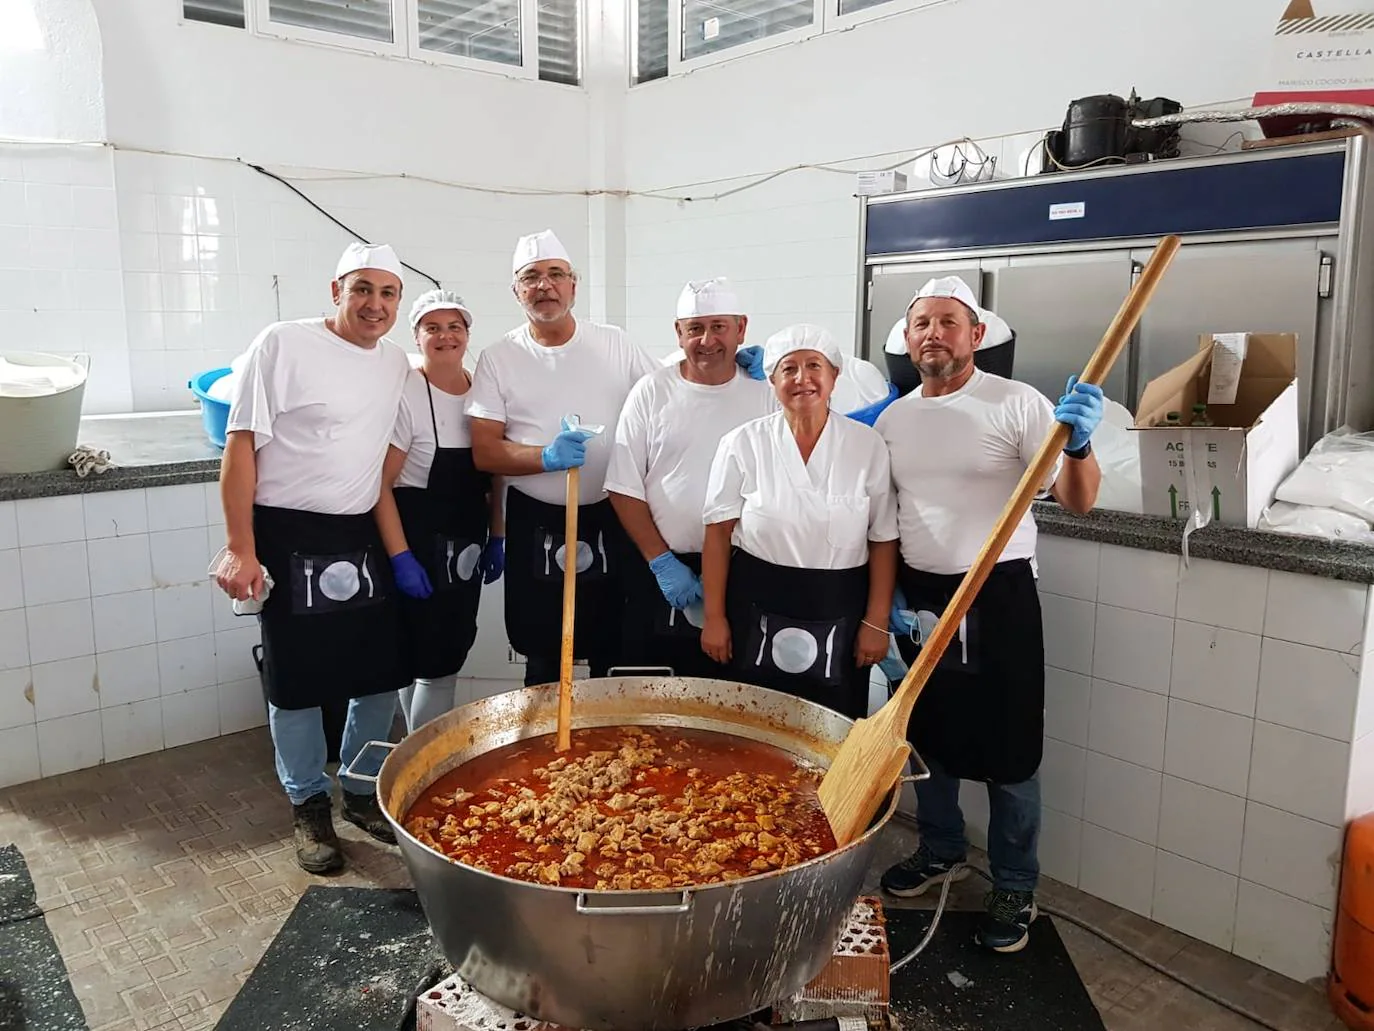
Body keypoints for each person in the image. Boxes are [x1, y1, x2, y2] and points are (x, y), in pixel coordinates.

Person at [874, 275, 1104, 954]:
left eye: (949, 321)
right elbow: (886, 515)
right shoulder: (894, 417)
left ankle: (1013, 882)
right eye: (921, 322)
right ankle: (941, 848)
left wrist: (1081, 444)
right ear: (907, 338)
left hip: (999, 595)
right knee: (928, 736)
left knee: (1011, 752)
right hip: (921, 597)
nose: (934, 333)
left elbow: (1079, 499)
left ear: (976, 335)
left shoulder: (1017, 404)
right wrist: (887, 604)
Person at [214, 242, 413, 875]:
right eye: (362, 289)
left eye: (387, 293)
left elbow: (455, 374)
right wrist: (240, 547)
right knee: (296, 683)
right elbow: (240, 447)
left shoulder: (392, 365)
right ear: (335, 292)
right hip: (284, 532)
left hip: (359, 531)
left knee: (378, 674)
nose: (374, 304)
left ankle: (359, 790)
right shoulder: (282, 344)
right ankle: (308, 806)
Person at [466, 230, 658, 686]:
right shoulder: (499, 357)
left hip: (612, 515)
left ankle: (608, 749)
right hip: (536, 522)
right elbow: (484, 449)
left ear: (574, 284)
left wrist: (729, 371)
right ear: (517, 291)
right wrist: (545, 456)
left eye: (556, 275)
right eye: (531, 277)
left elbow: (668, 397)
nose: (544, 285)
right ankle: (546, 750)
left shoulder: (615, 344)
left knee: (611, 643)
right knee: (543, 649)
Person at [700, 325, 898, 719]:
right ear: (772, 380)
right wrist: (714, 618)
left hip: (839, 604)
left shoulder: (865, 445)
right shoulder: (742, 443)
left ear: (834, 377)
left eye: (814, 366)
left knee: (833, 728)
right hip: (756, 602)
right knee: (754, 725)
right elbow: (718, 536)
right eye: (788, 369)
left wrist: (876, 621)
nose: (801, 379)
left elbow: (882, 539)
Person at [605, 279, 775, 677]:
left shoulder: (765, 392)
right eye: (695, 328)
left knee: (734, 692)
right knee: (658, 689)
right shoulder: (651, 392)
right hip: (662, 566)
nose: (707, 340)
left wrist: (779, 366)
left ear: (742, 329)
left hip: (745, 568)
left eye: (720, 326)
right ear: (678, 333)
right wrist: (661, 561)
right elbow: (623, 486)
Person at [374, 289, 505, 733]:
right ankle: (426, 764)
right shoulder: (407, 394)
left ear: (468, 334)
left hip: (466, 542)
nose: (445, 336)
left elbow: (497, 470)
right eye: (433, 327)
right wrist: (400, 557)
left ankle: (415, 756)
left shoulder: (483, 390)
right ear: (416, 335)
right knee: (427, 659)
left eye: (455, 327)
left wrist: (498, 535)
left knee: (444, 652)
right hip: (416, 541)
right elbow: (381, 486)